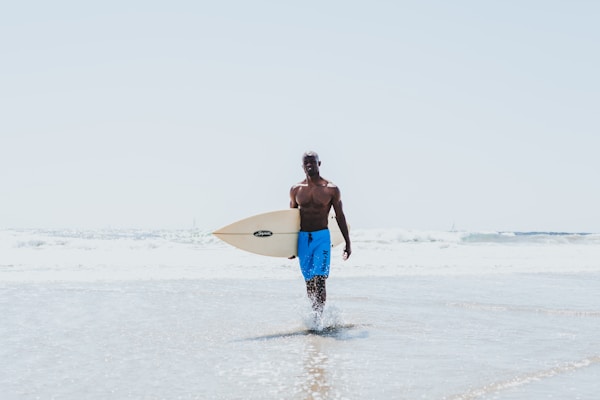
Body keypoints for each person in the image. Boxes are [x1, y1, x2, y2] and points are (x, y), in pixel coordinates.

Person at [289, 151, 352, 316]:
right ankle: (314, 314)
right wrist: (288, 246)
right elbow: (290, 219)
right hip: (303, 238)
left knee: (320, 279)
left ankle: (319, 318)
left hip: (322, 237)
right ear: (302, 166)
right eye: (306, 162)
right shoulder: (296, 190)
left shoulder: (331, 189)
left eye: (313, 162)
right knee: (309, 281)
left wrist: (347, 242)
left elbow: (340, 216)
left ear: (319, 163)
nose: (310, 165)